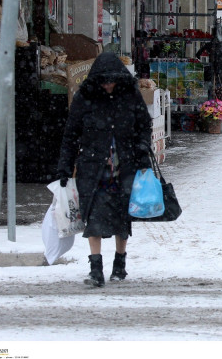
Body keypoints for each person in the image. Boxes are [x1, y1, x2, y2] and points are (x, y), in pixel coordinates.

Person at [58, 52, 152, 288]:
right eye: (104, 80)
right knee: (94, 217)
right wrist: (65, 167)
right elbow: (70, 135)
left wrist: (142, 152)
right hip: (93, 168)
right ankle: (95, 269)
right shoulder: (84, 98)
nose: (108, 85)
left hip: (125, 166)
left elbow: (144, 126)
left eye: (112, 80)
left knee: (123, 216)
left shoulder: (130, 95)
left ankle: (120, 264)